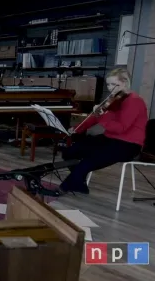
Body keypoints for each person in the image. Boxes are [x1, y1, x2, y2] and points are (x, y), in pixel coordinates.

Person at [54, 68, 148, 196]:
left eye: (114, 85)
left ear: (125, 83)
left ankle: (63, 188)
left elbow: (120, 128)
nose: (110, 88)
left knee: (88, 161)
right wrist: (77, 128)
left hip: (129, 144)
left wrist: (102, 115)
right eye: (108, 84)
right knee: (70, 152)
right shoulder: (114, 99)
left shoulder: (134, 101)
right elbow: (95, 117)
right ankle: (79, 184)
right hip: (109, 138)